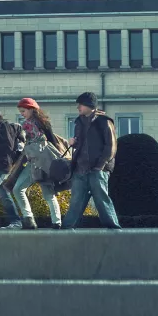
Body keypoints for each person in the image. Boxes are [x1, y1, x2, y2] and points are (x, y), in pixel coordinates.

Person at [62, 92, 122, 230]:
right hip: (80, 168)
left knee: (101, 199)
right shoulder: (79, 122)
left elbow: (111, 146)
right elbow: (81, 143)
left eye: (81, 104)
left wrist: (100, 166)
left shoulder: (104, 121)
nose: (78, 107)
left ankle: (114, 228)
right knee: (76, 200)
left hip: (98, 169)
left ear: (90, 105)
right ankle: (67, 228)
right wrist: (73, 142)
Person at [13, 98, 62, 230]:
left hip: (44, 160)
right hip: (33, 161)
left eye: (23, 111)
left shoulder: (43, 122)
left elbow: (53, 140)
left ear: (31, 109)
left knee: (47, 192)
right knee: (19, 189)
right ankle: (30, 219)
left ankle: (56, 222)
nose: (22, 113)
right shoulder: (25, 124)